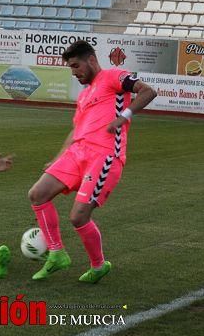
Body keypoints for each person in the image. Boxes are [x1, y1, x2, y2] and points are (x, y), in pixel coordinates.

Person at [27, 40, 156, 283]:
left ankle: (98, 265)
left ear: (92, 60)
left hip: (105, 155)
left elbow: (148, 91)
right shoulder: (85, 95)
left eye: (76, 66)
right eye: (71, 69)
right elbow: (76, 130)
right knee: (37, 194)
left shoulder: (113, 76)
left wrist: (123, 117)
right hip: (77, 153)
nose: (74, 73)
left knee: (78, 217)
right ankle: (56, 253)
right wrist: (56, 159)